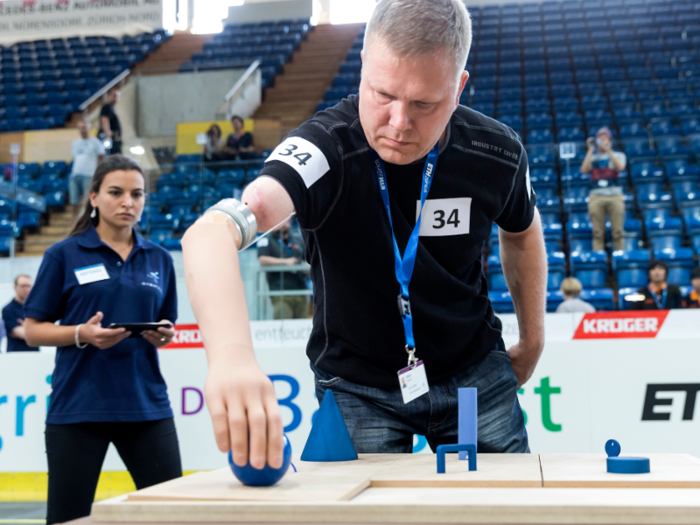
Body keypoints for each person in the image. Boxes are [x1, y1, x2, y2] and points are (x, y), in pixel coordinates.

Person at [182, 0, 546, 470]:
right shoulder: (323, 149)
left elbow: (521, 231)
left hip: (474, 374)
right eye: (382, 94)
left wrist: (533, 338)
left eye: (423, 104)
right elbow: (210, 234)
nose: (398, 122)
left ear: (458, 89)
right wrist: (231, 356)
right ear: (363, 68)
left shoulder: (495, 151)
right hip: (358, 387)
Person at [23, 155, 182, 525]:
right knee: (67, 518)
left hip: (147, 408)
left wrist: (163, 336)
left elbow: (166, 326)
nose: (128, 201)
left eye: (137, 194)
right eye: (116, 192)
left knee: (172, 516)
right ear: (93, 197)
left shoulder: (159, 259)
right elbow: (32, 329)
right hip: (79, 408)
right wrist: (82, 334)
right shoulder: (63, 254)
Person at [581, 127, 627, 251]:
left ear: (610, 141)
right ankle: (598, 257)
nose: (603, 142)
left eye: (605, 140)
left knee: (618, 231)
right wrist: (590, 150)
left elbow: (620, 168)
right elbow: (584, 170)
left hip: (615, 196)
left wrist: (609, 151)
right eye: (600, 140)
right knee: (597, 232)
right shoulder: (593, 157)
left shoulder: (619, 155)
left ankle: (619, 256)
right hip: (596, 196)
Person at [257, 219, 309, 319]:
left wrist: (305, 267)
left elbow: (307, 260)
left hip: (300, 290)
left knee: (302, 328)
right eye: (278, 221)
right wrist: (286, 262)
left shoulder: (297, 239)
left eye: (284, 220)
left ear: (289, 222)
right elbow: (262, 260)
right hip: (280, 292)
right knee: (284, 326)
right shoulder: (266, 239)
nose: (282, 224)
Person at [70, 120, 105, 214]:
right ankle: (75, 225)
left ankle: (88, 223)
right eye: (81, 128)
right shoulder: (75, 143)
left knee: (88, 201)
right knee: (74, 202)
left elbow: (101, 158)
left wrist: (97, 173)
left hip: (89, 175)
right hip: (76, 174)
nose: (83, 130)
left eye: (85, 127)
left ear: (89, 128)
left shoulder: (96, 142)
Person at [2, 274, 39, 352]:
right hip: (16, 355)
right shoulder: (8, 309)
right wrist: (34, 327)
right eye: (23, 286)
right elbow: (25, 335)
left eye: (28, 286)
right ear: (15, 287)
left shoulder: (35, 308)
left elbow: (43, 333)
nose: (26, 289)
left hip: (35, 354)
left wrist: (26, 326)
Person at [98, 88, 122, 155]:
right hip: (110, 141)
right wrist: (107, 136)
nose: (116, 98)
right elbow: (105, 121)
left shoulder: (111, 108)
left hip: (114, 140)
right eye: (114, 95)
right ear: (108, 96)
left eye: (117, 96)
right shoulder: (106, 107)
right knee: (110, 160)